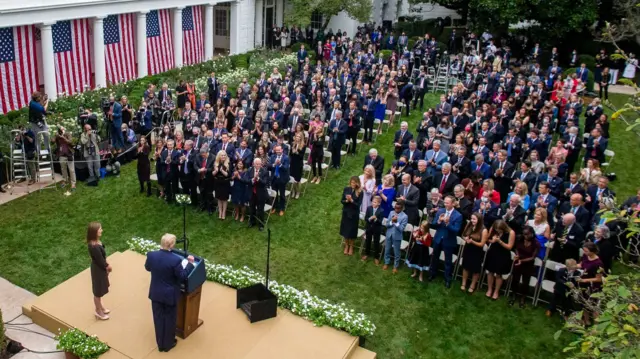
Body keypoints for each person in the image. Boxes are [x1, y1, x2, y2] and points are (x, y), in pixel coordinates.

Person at [145, 234, 195, 352]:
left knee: (158, 319)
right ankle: (168, 344)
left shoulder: (151, 255)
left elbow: (148, 268)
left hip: (156, 293)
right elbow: (182, 276)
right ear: (172, 245)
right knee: (169, 319)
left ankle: (160, 344)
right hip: (169, 296)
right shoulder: (175, 260)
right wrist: (190, 264)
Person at [429, 196, 463, 288]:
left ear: (452, 204)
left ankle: (447, 279)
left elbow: (456, 230)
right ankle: (432, 273)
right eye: (445, 202)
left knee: (448, 261)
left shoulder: (458, 215)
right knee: (434, 257)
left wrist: (448, 223)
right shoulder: (440, 211)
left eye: (447, 203)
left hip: (449, 240)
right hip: (438, 238)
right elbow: (434, 224)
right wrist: (439, 221)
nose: (445, 204)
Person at [508, 226, 540, 308]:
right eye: (524, 234)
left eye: (527, 234)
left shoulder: (536, 243)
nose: (525, 236)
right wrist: (517, 255)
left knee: (525, 282)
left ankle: (522, 298)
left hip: (528, 264)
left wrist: (521, 261)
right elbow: (516, 248)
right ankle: (513, 295)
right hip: (518, 261)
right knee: (515, 280)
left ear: (532, 233)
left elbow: (533, 257)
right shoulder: (519, 238)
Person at [484, 220, 516, 300]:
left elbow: (509, 247)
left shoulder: (511, 232)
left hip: (503, 254)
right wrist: (492, 241)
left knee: (499, 274)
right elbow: (487, 239)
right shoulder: (493, 229)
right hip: (493, 252)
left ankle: (496, 291)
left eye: (499, 229)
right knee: (490, 272)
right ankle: (489, 289)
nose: (498, 230)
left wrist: (499, 241)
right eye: (496, 229)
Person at [87, 222, 111, 320]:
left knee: (100, 289)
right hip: (98, 270)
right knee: (98, 291)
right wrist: (108, 266)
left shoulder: (96, 242)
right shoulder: (94, 246)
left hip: (99, 268)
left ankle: (100, 307)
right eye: (100, 229)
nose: (101, 230)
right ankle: (98, 311)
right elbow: (100, 260)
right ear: (94, 232)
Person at [577, 242, 604, 326]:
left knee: (593, 306)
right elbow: (581, 265)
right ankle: (586, 320)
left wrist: (585, 280)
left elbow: (598, 279)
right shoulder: (585, 256)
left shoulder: (598, 263)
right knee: (584, 303)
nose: (585, 253)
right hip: (583, 284)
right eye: (584, 251)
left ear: (593, 252)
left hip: (593, 286)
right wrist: (572, 266)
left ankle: (596, 325)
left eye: (587, 251)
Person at [460, 213, 486, 293]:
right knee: (465, 266)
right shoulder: (469, 225)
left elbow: (482, 244)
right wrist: (465, 238)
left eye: (474, 219)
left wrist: (472, 241)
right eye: (471, 218)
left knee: (475, 270)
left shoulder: (484, 230)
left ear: (479, 220)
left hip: (477, 251)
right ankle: (464, 283)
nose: (472, 220)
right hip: (468, 249)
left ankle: (473, 285)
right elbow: (463, 235)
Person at [340, 176, 363, 256]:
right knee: (346, 230)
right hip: (346, 212)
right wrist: (347, 200)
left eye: (354, 182)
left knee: (352, 231)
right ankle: (346, 245)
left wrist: (352, 201)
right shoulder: (347, 189)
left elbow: (358, 205)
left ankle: (351, 246)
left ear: (357, 183)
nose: (353, 184)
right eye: (352, 182)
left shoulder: (360, 192)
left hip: (354, 214)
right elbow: (342, 201)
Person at [383, 202, 408, 273]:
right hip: (389, 234)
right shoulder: (391, 213)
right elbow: (387, 224)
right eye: (395, 207)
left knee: (396, 252)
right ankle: (386, 262)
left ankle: (395, 266)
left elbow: (402, 229)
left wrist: (396, 223)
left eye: (398, 208)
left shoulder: (405, 216)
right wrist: (391, 222)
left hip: (397, 236)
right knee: (387, 249)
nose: (396, 209)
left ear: (402, 208)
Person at [269, 145, 290, 216]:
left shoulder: (286, 158)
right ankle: (274, 207)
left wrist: (280, 164)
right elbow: (269, 166)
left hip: (282, 179)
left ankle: (281, 209)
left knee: (282, 195)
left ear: (282, 150)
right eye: (276, 150)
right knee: (274, 194)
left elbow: (286, 168)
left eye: (279, 150)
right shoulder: (272, 157)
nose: (277, 151)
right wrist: (274, 164)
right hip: (274, 178)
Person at [362, 195, 385, 264]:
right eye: (372, 202)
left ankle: (376, 257)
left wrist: (375, 219)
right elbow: (366, 218)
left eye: (375, 202)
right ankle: (367, 254)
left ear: (379, 203)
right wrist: (370, 218)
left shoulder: (381, 210)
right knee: (368, 241)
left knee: (376, 243)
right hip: (369, 227)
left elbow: (380, 221)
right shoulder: (369, 208)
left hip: (377, 229)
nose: (373, 203)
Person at [54, 126, 76, 191]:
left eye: (62, 129)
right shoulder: (58, 136)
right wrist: (56, 136)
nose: (62, 130)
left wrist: (63, 137)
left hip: (69, 154)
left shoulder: (68, 134)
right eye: (60, 129)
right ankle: (65, 181)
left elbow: (70, 142)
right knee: (63, 169)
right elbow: (52, 141)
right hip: (61, 155)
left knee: (71, 170)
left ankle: (73, 183)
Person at [213, 150, 231, 220]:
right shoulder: (216, 163)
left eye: (224, 155)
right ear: (219, 156)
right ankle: (220, 212)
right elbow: (213, 174)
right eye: (222, 155)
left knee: (224, 199)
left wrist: (222, 171)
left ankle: (224, 212)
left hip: (225, 183)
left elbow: (228, 175)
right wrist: (216, 171)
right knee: (219, 198)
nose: (223, 156)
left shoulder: (228, 163)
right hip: (218, 182)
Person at [289, 132, 305, 199]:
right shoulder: (293, 144)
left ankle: (298, 192)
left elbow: (302, 156)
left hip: (299, 164)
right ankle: (293, 191)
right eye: (297, 136)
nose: (297, 138)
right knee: (292, 178)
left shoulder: (303, 145)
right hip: (293, 163)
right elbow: (290, 154)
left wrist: (297, 152)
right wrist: (292, 152)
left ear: (301, 138)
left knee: (297, 180)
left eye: (299, 137)